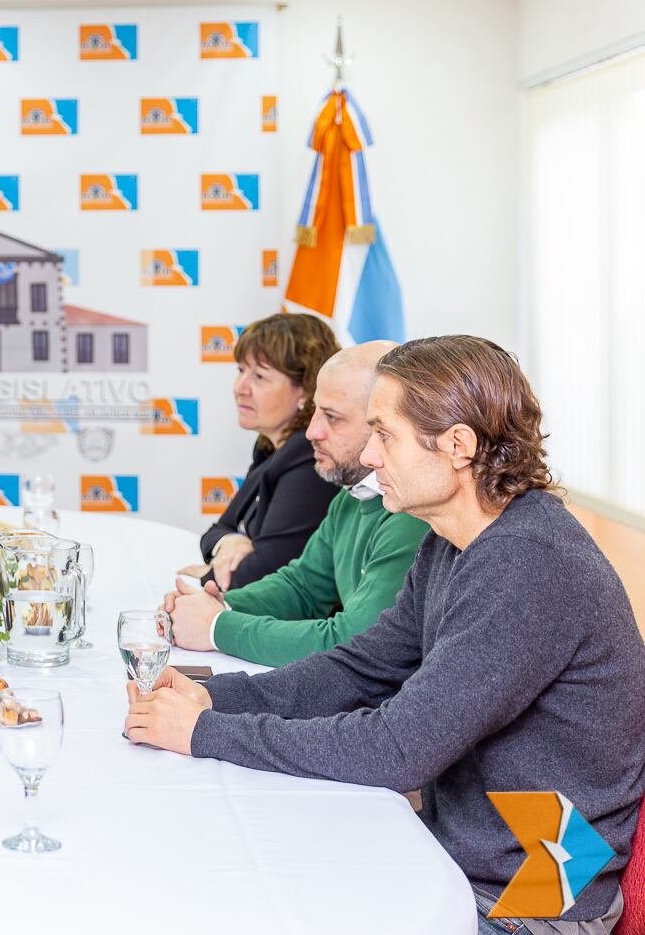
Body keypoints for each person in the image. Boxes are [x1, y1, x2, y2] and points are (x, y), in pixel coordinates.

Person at [126, 336, 645, 931]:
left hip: (533, 896)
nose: (369, 456)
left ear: (457, 446)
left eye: (385, 434)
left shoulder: (526, 564)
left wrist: (206, 731)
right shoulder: (455, 542)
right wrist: (214, 696)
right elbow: (363, 667)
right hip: (465, 854)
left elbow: (396, 749)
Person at [160, 341, 429, 666]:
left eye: (332, 417)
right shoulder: (351, 495)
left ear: (381, 424)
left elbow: (354, 643)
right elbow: (303, 586)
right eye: (315, 410)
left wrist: (216, 627)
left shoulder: (413, 512)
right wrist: (218, 605)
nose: (312, 431)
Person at [182, 313, 341, 590]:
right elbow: (214, 532)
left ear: (304, 390)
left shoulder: (311, 457)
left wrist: (200, 578)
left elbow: (265, 572)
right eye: (241, 370)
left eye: (259, 376)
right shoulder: (270, 446)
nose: (240, 388)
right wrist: (231, 541)